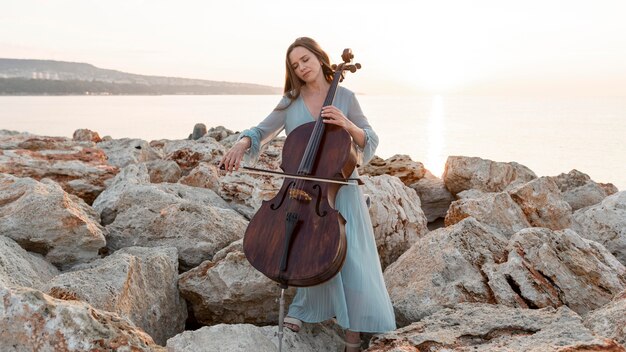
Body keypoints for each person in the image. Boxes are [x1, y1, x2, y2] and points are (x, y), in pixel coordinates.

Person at [219, 37, 395, 351]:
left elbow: (369, 138)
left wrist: (346, 124)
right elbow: (262, 130)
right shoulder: (290, 100)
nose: (301, 67)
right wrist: (240, 144)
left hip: (339, 188)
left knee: (351, 255)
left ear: (318, 56)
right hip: (299, 188)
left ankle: (353, 332)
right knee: (304, 246)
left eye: (305, 59)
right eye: (295, 65)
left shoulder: (346, 96)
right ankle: (304, 306)